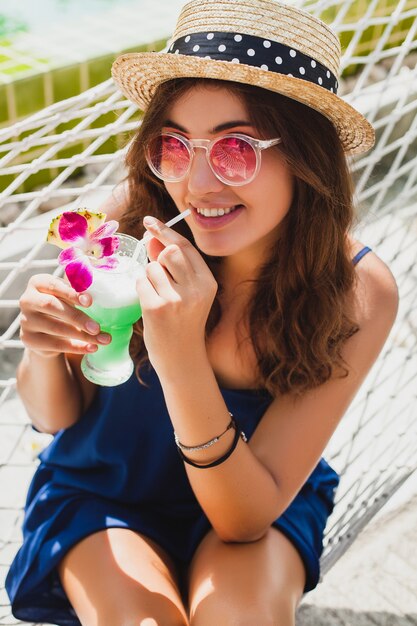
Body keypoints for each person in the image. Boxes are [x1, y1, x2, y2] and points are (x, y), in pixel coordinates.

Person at [6, 0, 399, 624]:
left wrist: (179, 351)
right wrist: (43, 349)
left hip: (256, 498)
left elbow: (243, 519)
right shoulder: (129, 227)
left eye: (235, 149)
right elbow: (56, 417)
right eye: (175, 145)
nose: (197, 183)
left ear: (306, 155)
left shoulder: (354, 288)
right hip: (104, 492)